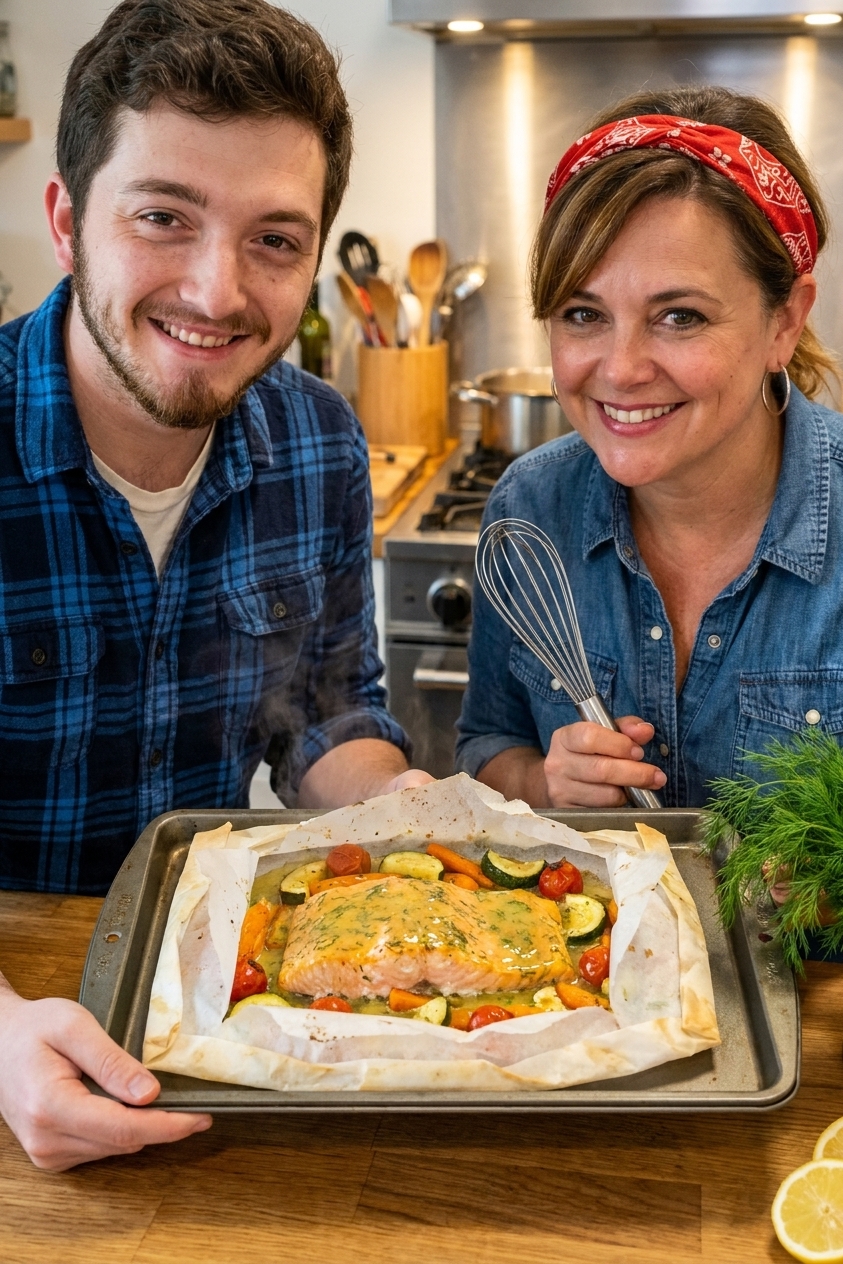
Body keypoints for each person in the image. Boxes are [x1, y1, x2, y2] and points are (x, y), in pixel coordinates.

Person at [0, 0, 431, 1170]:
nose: (216, 290)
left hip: (215, 1023)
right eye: (162, 218)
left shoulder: (322, 443)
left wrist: (424, 826)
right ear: (66, 221)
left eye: (275, 241)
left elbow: (331, 720)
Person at [457, 85, 843, 812]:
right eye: (582, 313)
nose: (621, 369)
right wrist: (545, 783)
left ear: (783, 322)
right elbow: (487, 745)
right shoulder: (530, 507)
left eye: (679, 316)